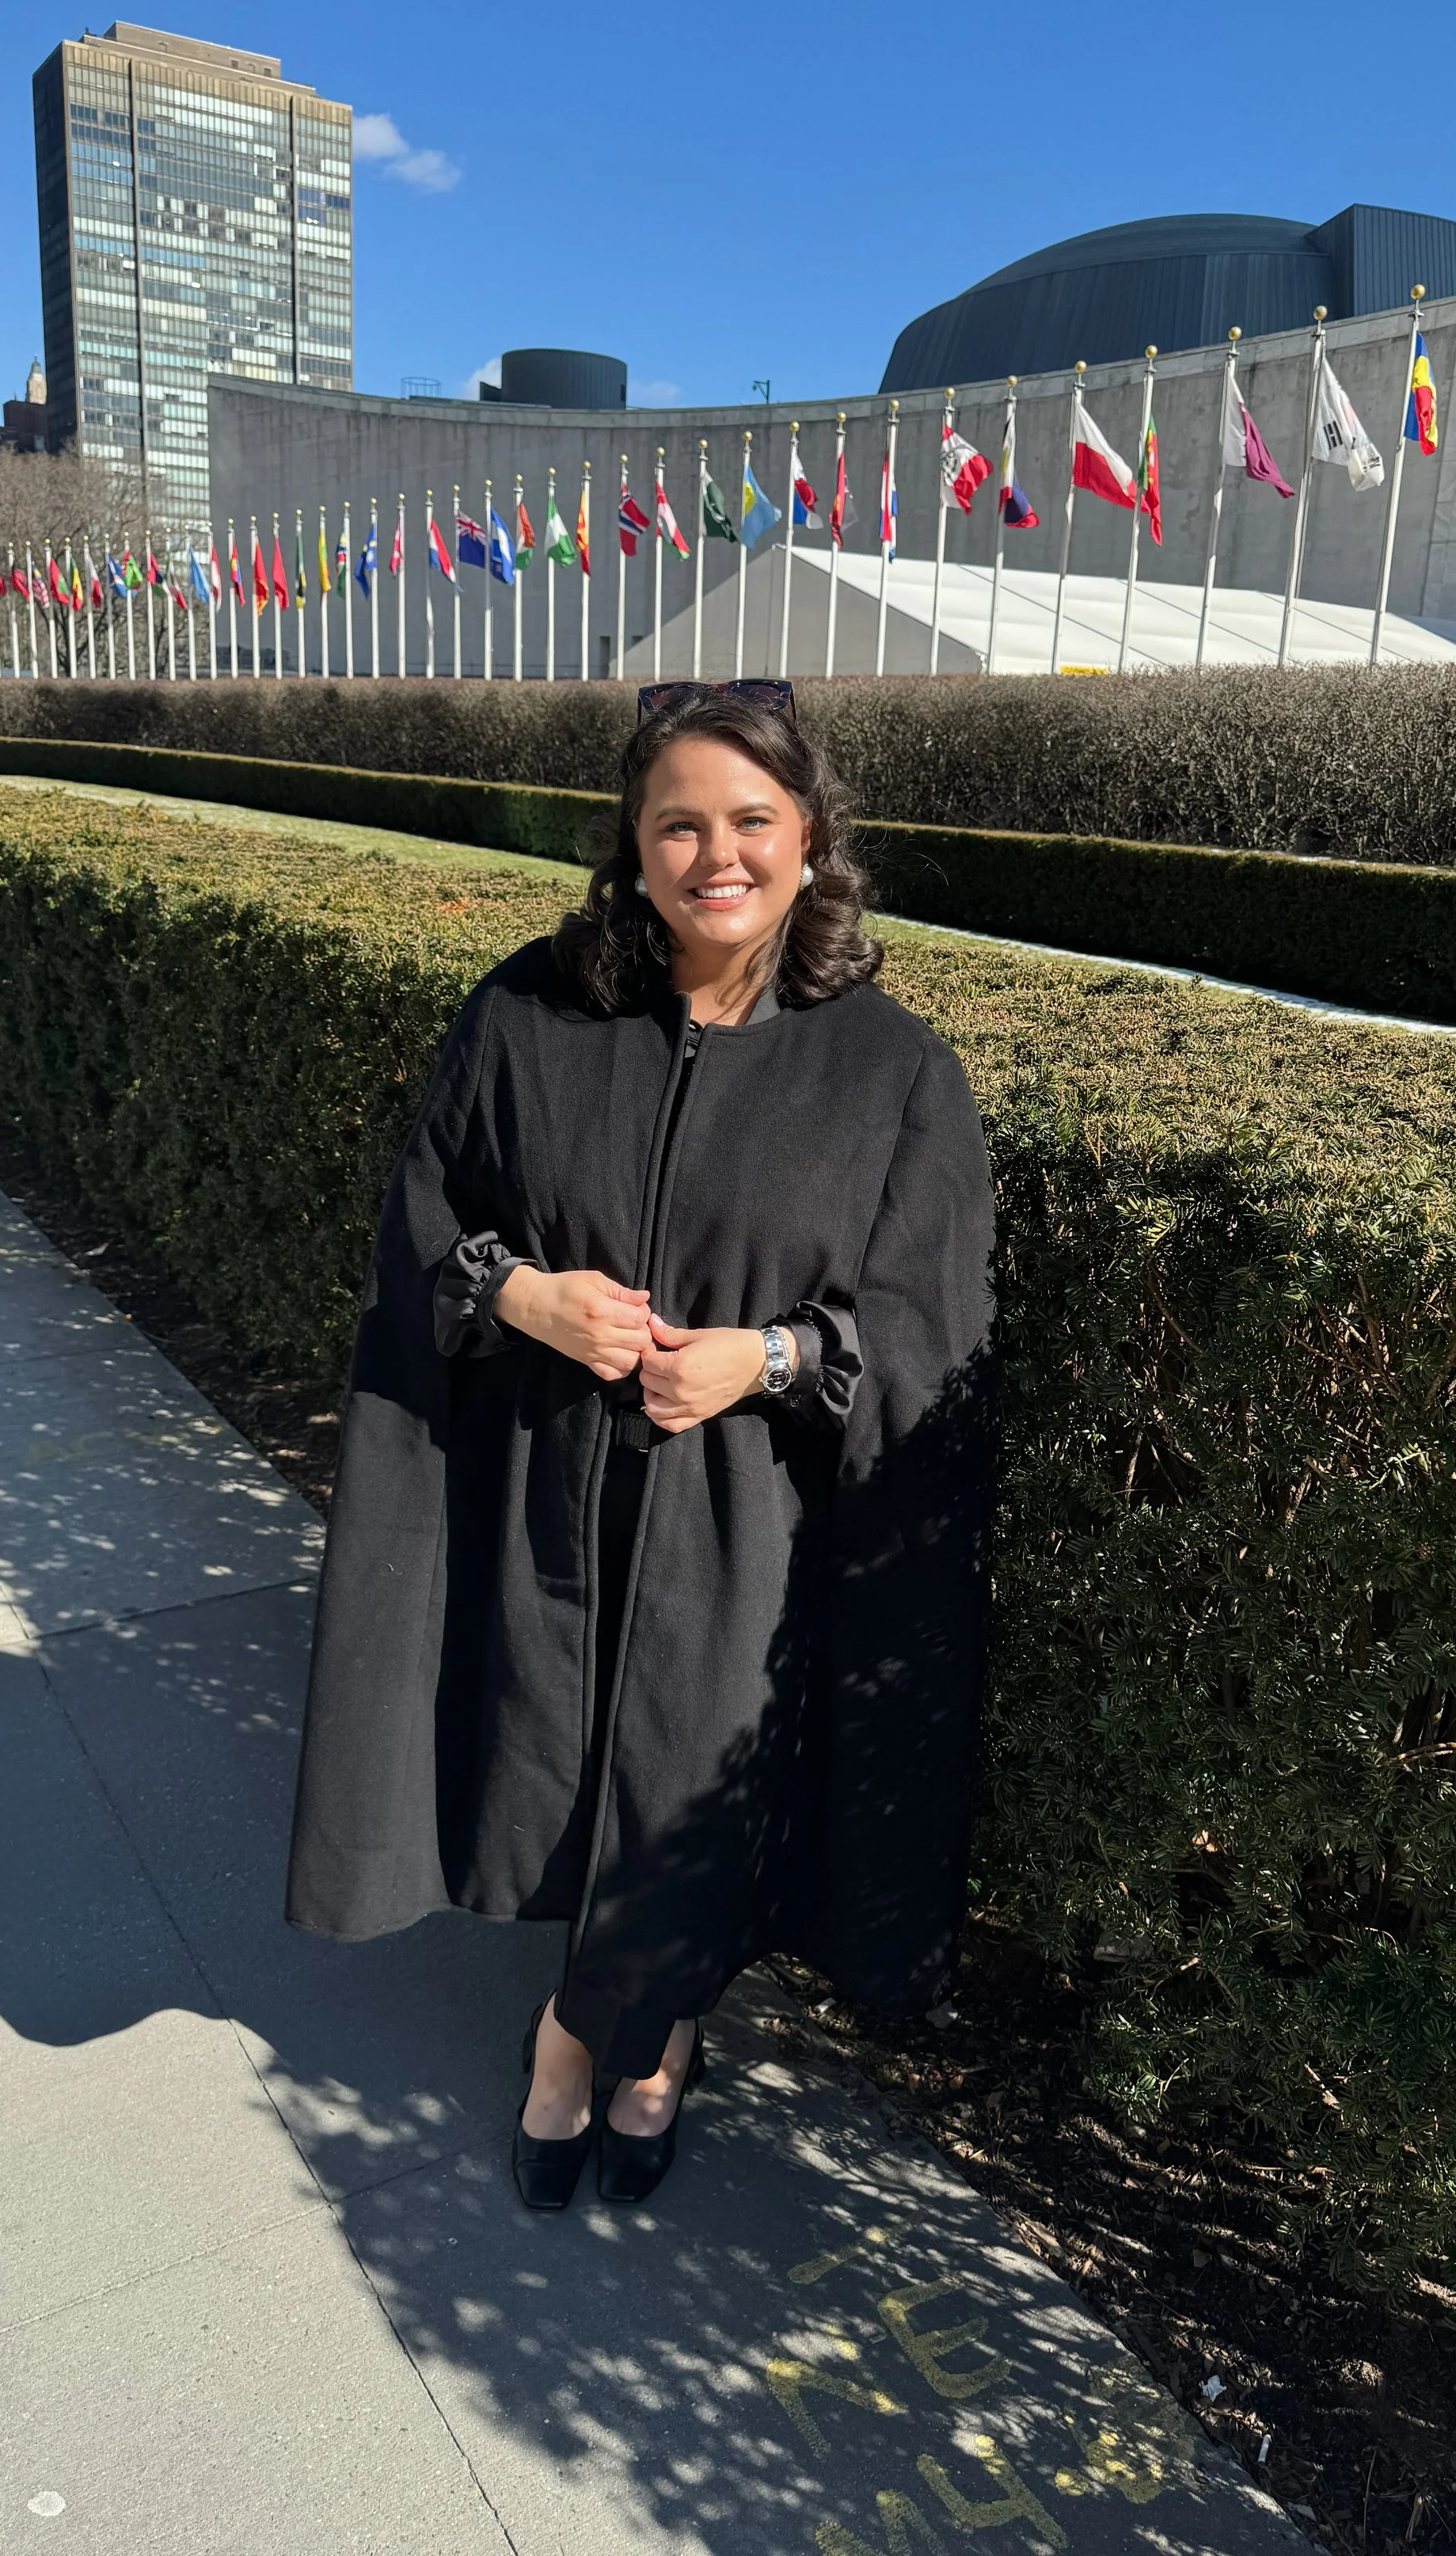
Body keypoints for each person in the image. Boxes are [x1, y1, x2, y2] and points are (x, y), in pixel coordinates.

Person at [286, 681, 995, 2210]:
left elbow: (931, 1337)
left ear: (813, 842)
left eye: (752, 821)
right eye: (679, 822)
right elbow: (427, 1224)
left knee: (682, 1782)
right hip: (550, 1488)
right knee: (558, 1759)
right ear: (634, 841)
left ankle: (611, 2032)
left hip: (749, 1523)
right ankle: (609, 2022)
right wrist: (528, 1297)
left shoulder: (892, 1074)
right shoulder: (530, 1017)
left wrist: (774, 1356)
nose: (715, 856)